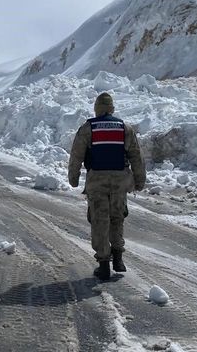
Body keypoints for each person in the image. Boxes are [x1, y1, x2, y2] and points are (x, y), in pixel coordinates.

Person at [68, 92, 146, 281]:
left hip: (97, 181)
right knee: (117, 217)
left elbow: (77, 155)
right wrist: (139, 180)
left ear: (96, 109)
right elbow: (136, 156)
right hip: (120, 181)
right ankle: (118, 258)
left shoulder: (88, 128)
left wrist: (74, 178)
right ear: (112, 109)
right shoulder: (124, 127)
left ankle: (104, 265)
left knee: (99, 220)